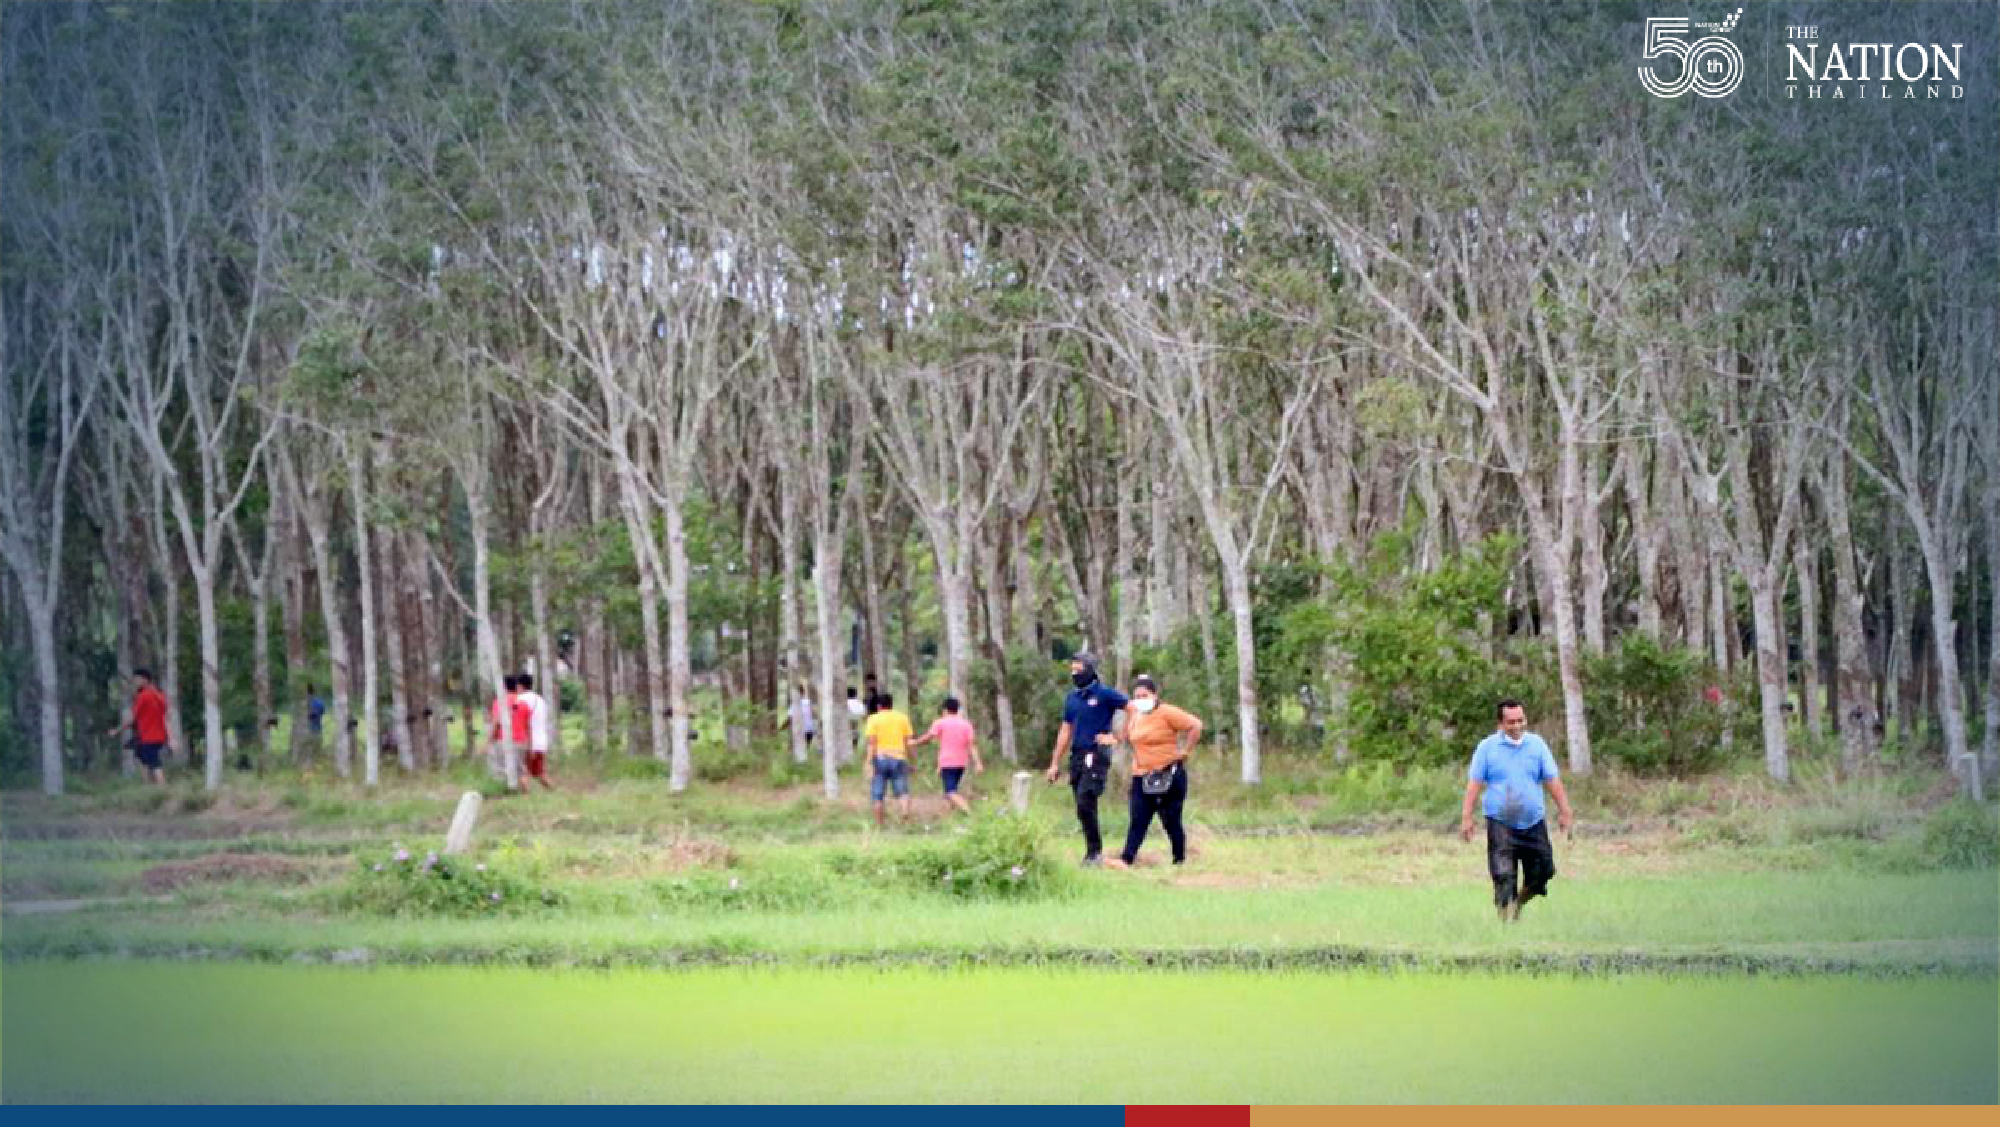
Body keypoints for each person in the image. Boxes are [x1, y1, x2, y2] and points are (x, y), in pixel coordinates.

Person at [1459, 698, 1575, 921]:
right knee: (1503, 876)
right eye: (1511, 722)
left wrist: (1565, 811)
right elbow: (1475, 783)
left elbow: (1552, 779)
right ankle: (1506, 924)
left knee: (1543, 872)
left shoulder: (1537, 745)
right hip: (1500, 823)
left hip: (1533, 822)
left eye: (1520, 720)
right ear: (1500, 724)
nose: (1517, 726)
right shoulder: (1486, 748)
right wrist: (1467, 817)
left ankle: (1518, 904)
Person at [1104, 675, 1201, 869]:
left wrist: (1185, 751)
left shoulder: (1167, 712)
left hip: (1167, 773)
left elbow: (1195, 725)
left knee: (1171, 820)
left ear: (1154, 695)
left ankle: (1179, 860)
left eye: (1145, 695)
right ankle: (1126, 859)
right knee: (1138, 818)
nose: (1141, 699)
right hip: (1141, 774)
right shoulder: (1135, 714)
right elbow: (1128, 736)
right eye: (1137, 696)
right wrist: (1111, 738)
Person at [1044, 651, 1127, 865]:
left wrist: (1117, 737)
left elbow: (1133, 709)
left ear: (1090, 670)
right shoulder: (1072, 698)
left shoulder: (1105, 694)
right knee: (1081, 807)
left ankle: (1094, 853)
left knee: (1086, 800)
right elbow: (1065, 731)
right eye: (1072, 670)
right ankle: (1092, 851)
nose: (1075, 673)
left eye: (1078, 670)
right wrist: (1054, 763)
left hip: (1096, 754)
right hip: (1077, 756)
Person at [908, 696, 982, 814]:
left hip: (948, 763)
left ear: (945, 710)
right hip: (961, 763)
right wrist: (978, 763)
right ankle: (954, 817)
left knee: (950, 792)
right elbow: (972, 745)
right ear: (957, 709)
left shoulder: (940, 722)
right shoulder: (966, 724)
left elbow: (928, 738)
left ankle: (970, 813)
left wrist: (914, 742)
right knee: (952, 791)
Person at [860, 690, 915, 828]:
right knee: (903, 792)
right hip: (899, 757)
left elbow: (872, 742)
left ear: (878, 706)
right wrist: (911, 759)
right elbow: (908, 741)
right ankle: (905, 815)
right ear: (891, 704)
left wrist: (868, 762)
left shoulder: (873, 719)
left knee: (878, 794)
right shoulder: (902, 718)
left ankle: (880, 825)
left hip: (880, 758)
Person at [107, 667, 170, 786]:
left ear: (144, 680)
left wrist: (117, 730)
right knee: (142, 757)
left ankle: (162, 787)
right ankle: (148, 786)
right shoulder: (159, 694)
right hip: (157, 735)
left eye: (137, 679)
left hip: (149, 736)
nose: (135, 682)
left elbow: (132, 718)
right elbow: (165, 714)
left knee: (154, 763)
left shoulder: (144, 696)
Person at [515, 672, 555, 790]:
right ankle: (553, 790)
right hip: (541, 741)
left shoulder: (520, 699)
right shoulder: (540, 699)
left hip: (528, 740)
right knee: (540, 772)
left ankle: (525, 796)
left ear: (520, 686)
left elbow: (519, 720)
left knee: (524, 772)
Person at [488, 674, 523, 790]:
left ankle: (505, 790)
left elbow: (497, 720)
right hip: (521, 739)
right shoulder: (522, 700)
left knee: (501, 767)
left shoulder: (500, 701)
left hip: (503, 739)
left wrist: (491, 738)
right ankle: (519, 790)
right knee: (519, 769)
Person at [785, 685, 817, 751]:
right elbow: (814, 715)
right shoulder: (809, 702)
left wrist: (782, 728)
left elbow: (790, 719)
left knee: (800, 750)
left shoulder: (794, 705)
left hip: (801, 730)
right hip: (809, 729)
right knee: (806, 749)